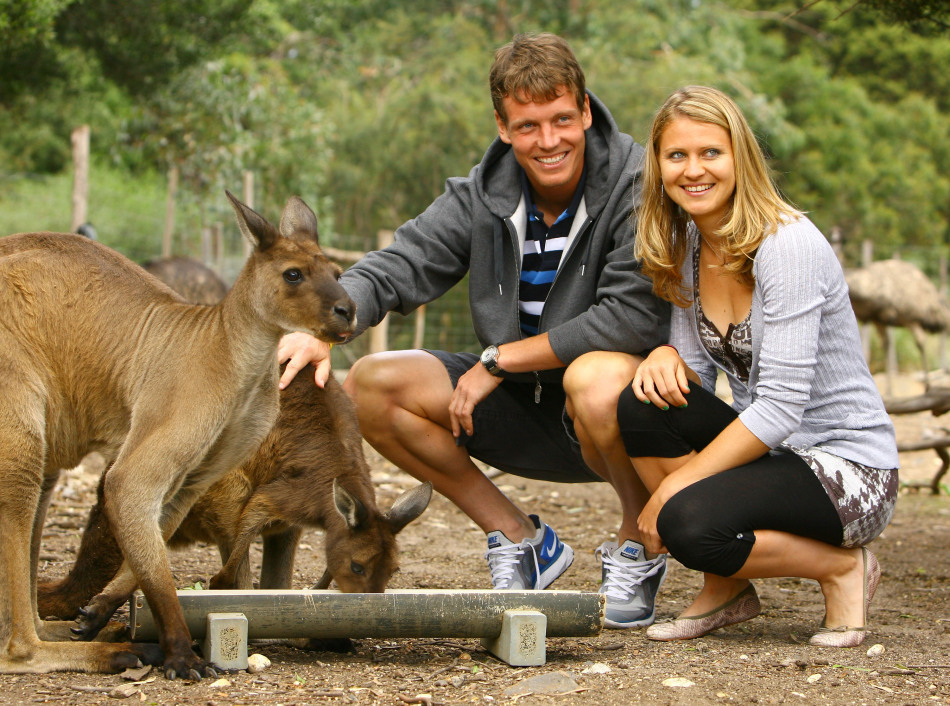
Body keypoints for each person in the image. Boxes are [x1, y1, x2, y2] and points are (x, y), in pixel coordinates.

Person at [278, 33, 671, 627]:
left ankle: (641, 541)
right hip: (517, 403)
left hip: (615, 415)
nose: (549, 140)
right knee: (370, 383)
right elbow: (401, 263)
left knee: (594, 377)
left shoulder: (639, 184)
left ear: (586, 110)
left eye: (563, 119)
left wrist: (499, 361)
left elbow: (632, 316)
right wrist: (321, 328)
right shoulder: (481, 195)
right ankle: (520, 539)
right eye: (528, 125)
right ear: (502, 126)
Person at [568, 85, 898, 646]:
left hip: (846, 471)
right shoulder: (693, 241)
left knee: (685, 522)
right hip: (773, 452)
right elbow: (693, 373)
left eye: (710, 153)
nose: (693, 170)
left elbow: (782, 405)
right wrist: (665, 355)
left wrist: (671, 493)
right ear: (660, 167)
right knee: (643, 400)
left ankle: (842, 568)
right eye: (677, 156)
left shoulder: (786, 244)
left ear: (739, 158)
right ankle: (728, 587)